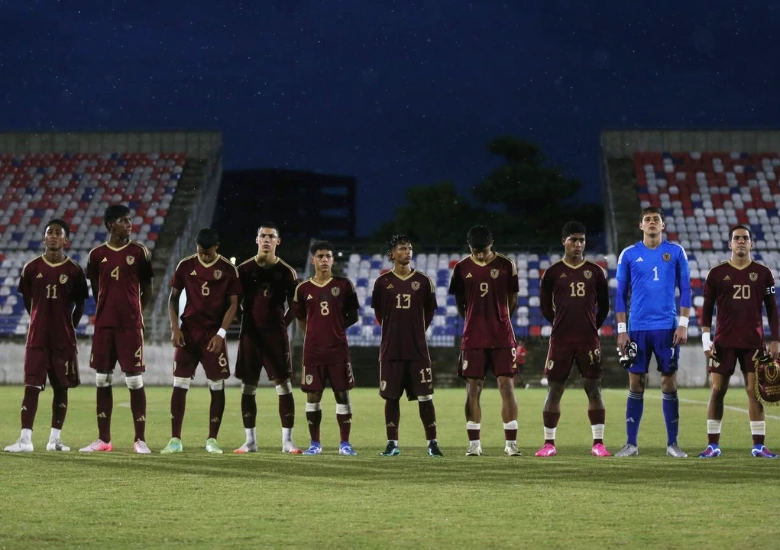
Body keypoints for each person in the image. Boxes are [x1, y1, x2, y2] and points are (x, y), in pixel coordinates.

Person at [4, 220, 88, 453]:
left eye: (57, 233)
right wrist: (41, 321)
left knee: (61, 388)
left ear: (65, 240)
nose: (52, 236)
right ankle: (25, 440)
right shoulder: (31, 268)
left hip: (63, 340)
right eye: (49, 233)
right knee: (31, 386)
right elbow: (28, 302)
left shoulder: (74, 271)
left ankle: (55, 439)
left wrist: (69, 326)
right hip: (37, 339)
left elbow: (80, 304)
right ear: (43, 238)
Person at [698, 225, 780, 459]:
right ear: (730, 244)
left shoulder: (764, 273)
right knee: (717, 390)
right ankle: (712, 445)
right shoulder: (716, 273)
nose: (741, 241)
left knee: (754, 392)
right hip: (723, 342)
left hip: (754, 342)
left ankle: (758, 446)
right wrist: (706, 339)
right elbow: (706, 309)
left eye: (745, 238)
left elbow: (772, 309)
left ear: (751, 243)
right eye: (737, 238)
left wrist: (776, 339)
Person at [615, 206, 691, 458]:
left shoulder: (676, 252)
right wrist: (622, 330)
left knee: (669, 382)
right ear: (641, 226)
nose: (651, 223)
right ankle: (631, 444)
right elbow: (620, 294)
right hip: (637, 328)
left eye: (655, 220)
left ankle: (672, 444)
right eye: (647, 219)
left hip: (667, 327)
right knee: (636, 383)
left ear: (663, 225)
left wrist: (683, 324)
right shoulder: (628, 254)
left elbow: (687, 290)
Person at [80, 205, 154, 453]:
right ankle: (104, 439)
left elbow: (148, 289)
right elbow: (95, 287)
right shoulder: (96, 255)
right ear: (111, 224)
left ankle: (140, 439)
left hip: (130, 326)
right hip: (104, 325)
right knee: (102, 379)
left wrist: (135, 312)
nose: (129, 224)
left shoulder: (139, 252)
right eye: (124, 220)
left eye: (130, 220)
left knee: (134, 380)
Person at [161, 229, 241, 455]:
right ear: (196, 246)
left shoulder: (227, 269)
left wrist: (221, 334)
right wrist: (175, 328)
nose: (204, 257)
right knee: (180, 383)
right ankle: (175, 439)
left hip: (213, 335)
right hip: (188, 332)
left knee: (216, 384)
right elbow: (173, 299)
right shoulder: (185, 266)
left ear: (217, 247)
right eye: (200, 252)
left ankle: (212, 439)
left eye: (208, 253)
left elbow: (233, 304)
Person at [535, 221, 611, 457]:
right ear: (564, 241)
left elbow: (604, 307)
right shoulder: (553, 273)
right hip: (561, 340)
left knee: (594, 389)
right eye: (573, 240)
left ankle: (598, 443)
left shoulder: (596, 272)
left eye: (582, 240)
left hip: (588, 339)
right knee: (555, 390)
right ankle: (549, 443)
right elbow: (546, 309)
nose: (578, 244)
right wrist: (563, 325)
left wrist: (589, 327)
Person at [448, 225, 520, 456]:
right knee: (473, 388)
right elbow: (460, 302)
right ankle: (474, 443)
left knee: (506, 386)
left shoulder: (506, 265)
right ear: (469, 247)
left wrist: (500, 319)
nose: (480, 255)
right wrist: (474, 320)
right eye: (475, 251)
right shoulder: (461, 268)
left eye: (484, 250)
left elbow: (513, 299)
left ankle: (510, 443)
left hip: (502, 336)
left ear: (492, 244)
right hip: (473, 337)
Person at [371, 235, 442, 458]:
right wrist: (395, 331)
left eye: (410, 248)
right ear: (392, 254)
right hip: (391, 349)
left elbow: (429, 312)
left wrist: (416, 331)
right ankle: (392, 443)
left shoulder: (423, 281)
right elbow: (379, 314)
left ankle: (432, 443)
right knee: (391, 397)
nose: (407, 251)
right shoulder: (382, 283)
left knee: (425, 396)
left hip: (417, 349)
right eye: (402, 248)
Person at [234, 222, 300, 453]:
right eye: (262, 235)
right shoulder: (242, 270)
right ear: (256, 239)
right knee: (248, 386)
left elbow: (296, 305)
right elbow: (233, 303)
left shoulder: (287, 272)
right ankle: (250, 441)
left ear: (277, 242)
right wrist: (242, 320)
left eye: (271, 236)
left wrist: (283, 323)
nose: (266, 239)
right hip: (250, 336)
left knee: (283, 385)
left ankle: (287, 442)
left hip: (276, 337)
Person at [292, 241, 360, 456]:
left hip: (338, 350)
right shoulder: (303, 289)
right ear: (312, 260)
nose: (324, 260)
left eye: (328, 256)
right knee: (313, 396)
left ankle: (345, 444)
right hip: (313, 352)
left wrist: (335, 330)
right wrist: (315, 335)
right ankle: (315, 443)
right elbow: (301, 319)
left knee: (342, 394)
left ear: (333, 259)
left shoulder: (344, 285)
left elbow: (353, 316)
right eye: (320, 256)